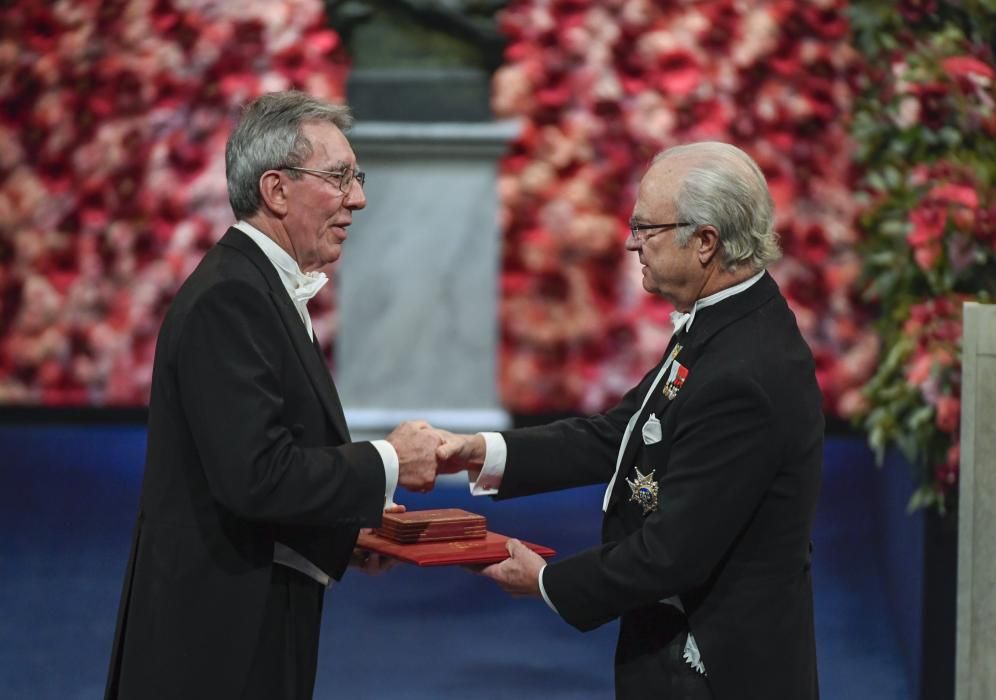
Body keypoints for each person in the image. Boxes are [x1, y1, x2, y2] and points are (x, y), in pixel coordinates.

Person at [437, 142, 823, 699]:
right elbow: (622, 432)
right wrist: (481, 451)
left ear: (706, 242)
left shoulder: (745, 369)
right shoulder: (728, 320)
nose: (630, 242)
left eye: (646, 228)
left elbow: (674, 552)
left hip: (718, 669)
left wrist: (547, 582)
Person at [105, 91, 441, 700]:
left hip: (247, 619)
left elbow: (252, 470)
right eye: (339, 178)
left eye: (355, 178)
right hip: (213, 647)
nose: (358, 199)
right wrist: (388, 460)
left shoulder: (256, 286)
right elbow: (256, 476)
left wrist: (344, 535)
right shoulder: (230, 297)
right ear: (276, 189)